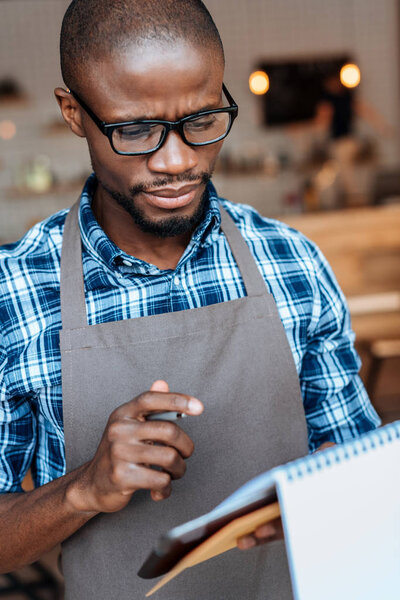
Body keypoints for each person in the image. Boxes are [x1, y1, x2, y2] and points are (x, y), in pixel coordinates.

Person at [0, 1, 380, 599]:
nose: (176, 161)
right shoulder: (16, 294)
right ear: (74, 113)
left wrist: (330, 499)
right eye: (135, 130)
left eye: (203, 121)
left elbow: (366, 484)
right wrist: (84, 490)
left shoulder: (293, 262)